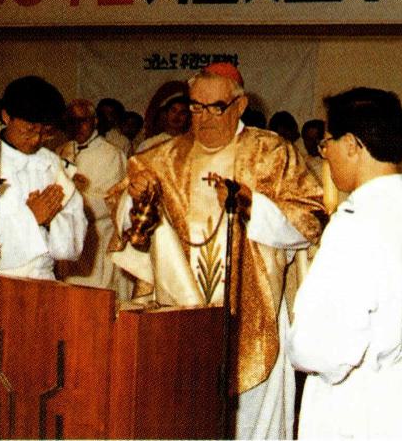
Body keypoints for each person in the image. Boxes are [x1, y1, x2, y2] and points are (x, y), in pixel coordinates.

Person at [108, 62, 325, 439]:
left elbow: (310, 219)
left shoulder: (271, 152)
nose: (203, 117)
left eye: (215, 107)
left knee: (252, 425)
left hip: (255, 308)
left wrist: (251, 206)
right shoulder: (163, 158)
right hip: (180, 316)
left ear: (239, 106)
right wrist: (136, 197)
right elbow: (128, 225)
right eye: (196, 106)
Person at [289, 88, 402, 439]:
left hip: (356, 408)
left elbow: (320, 347)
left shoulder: (355, 223)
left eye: (327, 143)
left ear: (352, 144)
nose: (325, 153)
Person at [0, 76, 86, 279]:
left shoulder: (52, 164)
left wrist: (51, 222)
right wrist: (32, 218)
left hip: (44, 279)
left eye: (45, 133)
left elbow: (72, 247)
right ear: (6, 116)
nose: (36, 140)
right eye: (29, 130)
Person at [57, 99, 131, 299]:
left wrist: (70, 198)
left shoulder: (111, 154)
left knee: (96, 300)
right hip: (69, 240)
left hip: (97, 239)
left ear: (95, 120)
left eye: (83, 120)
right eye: (71, 121)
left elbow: (110, 200)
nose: (77, 126)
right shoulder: (62, 151)